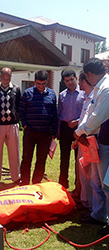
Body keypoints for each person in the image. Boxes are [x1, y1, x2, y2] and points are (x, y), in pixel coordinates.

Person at [73, 58, 109, 234]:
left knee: (106, 183)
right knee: (96, 180)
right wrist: (82, 132)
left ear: (88, 74)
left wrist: (79, 132)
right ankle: (99, 214)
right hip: (95, 140)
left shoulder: (106, 88)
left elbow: (97, 117)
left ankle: (106, 220)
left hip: (105, 141)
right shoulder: (98, 88)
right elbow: (89, 113)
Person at [19, 70, 57, 185]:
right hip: (30, 132)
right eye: (38, 84)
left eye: (43, 84)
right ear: (34, 82)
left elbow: (55, 114)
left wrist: (54, 133)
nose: (40, 86)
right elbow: (21, 111)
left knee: (41, 160)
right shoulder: (27, 93)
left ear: (47, 82)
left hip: (45, 133)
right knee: (26, 158)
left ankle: (36, 183)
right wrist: (25, 125)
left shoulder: (52, 95)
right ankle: (24, 182)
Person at [0, 68, 21, 187]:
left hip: (12, 124)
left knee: (14, 151)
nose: (6, 81)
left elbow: (18, 105)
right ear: (0, 77)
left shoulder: (16, 89)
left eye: (8, 79)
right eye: (3, 79)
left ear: (11, 77)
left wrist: (17, 119)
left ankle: (16, 177)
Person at [58, 69, 84, 190]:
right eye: (67, 81)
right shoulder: (62, 95)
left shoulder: (84, 94)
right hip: (64, 128)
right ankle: (63, 183)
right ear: (64, 81)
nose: (70, 83)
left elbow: (87, 113)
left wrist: (77, 121)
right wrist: (58, 130)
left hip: (78, 129)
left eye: (72, 79)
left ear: (76, 78)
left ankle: (78, 185)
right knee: (64, 157)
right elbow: (59, 113)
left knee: (78, 159)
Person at [74, 72, 95, 210]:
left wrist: (79, 135)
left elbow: (93, 121)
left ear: (84, 81)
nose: (78, 85)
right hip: (81, 140)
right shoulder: (87, 98)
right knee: (82, 172)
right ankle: (84, 200)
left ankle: (90, 204)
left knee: (89, 174)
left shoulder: (94, 97)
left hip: (88, 141)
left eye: (80, 81)